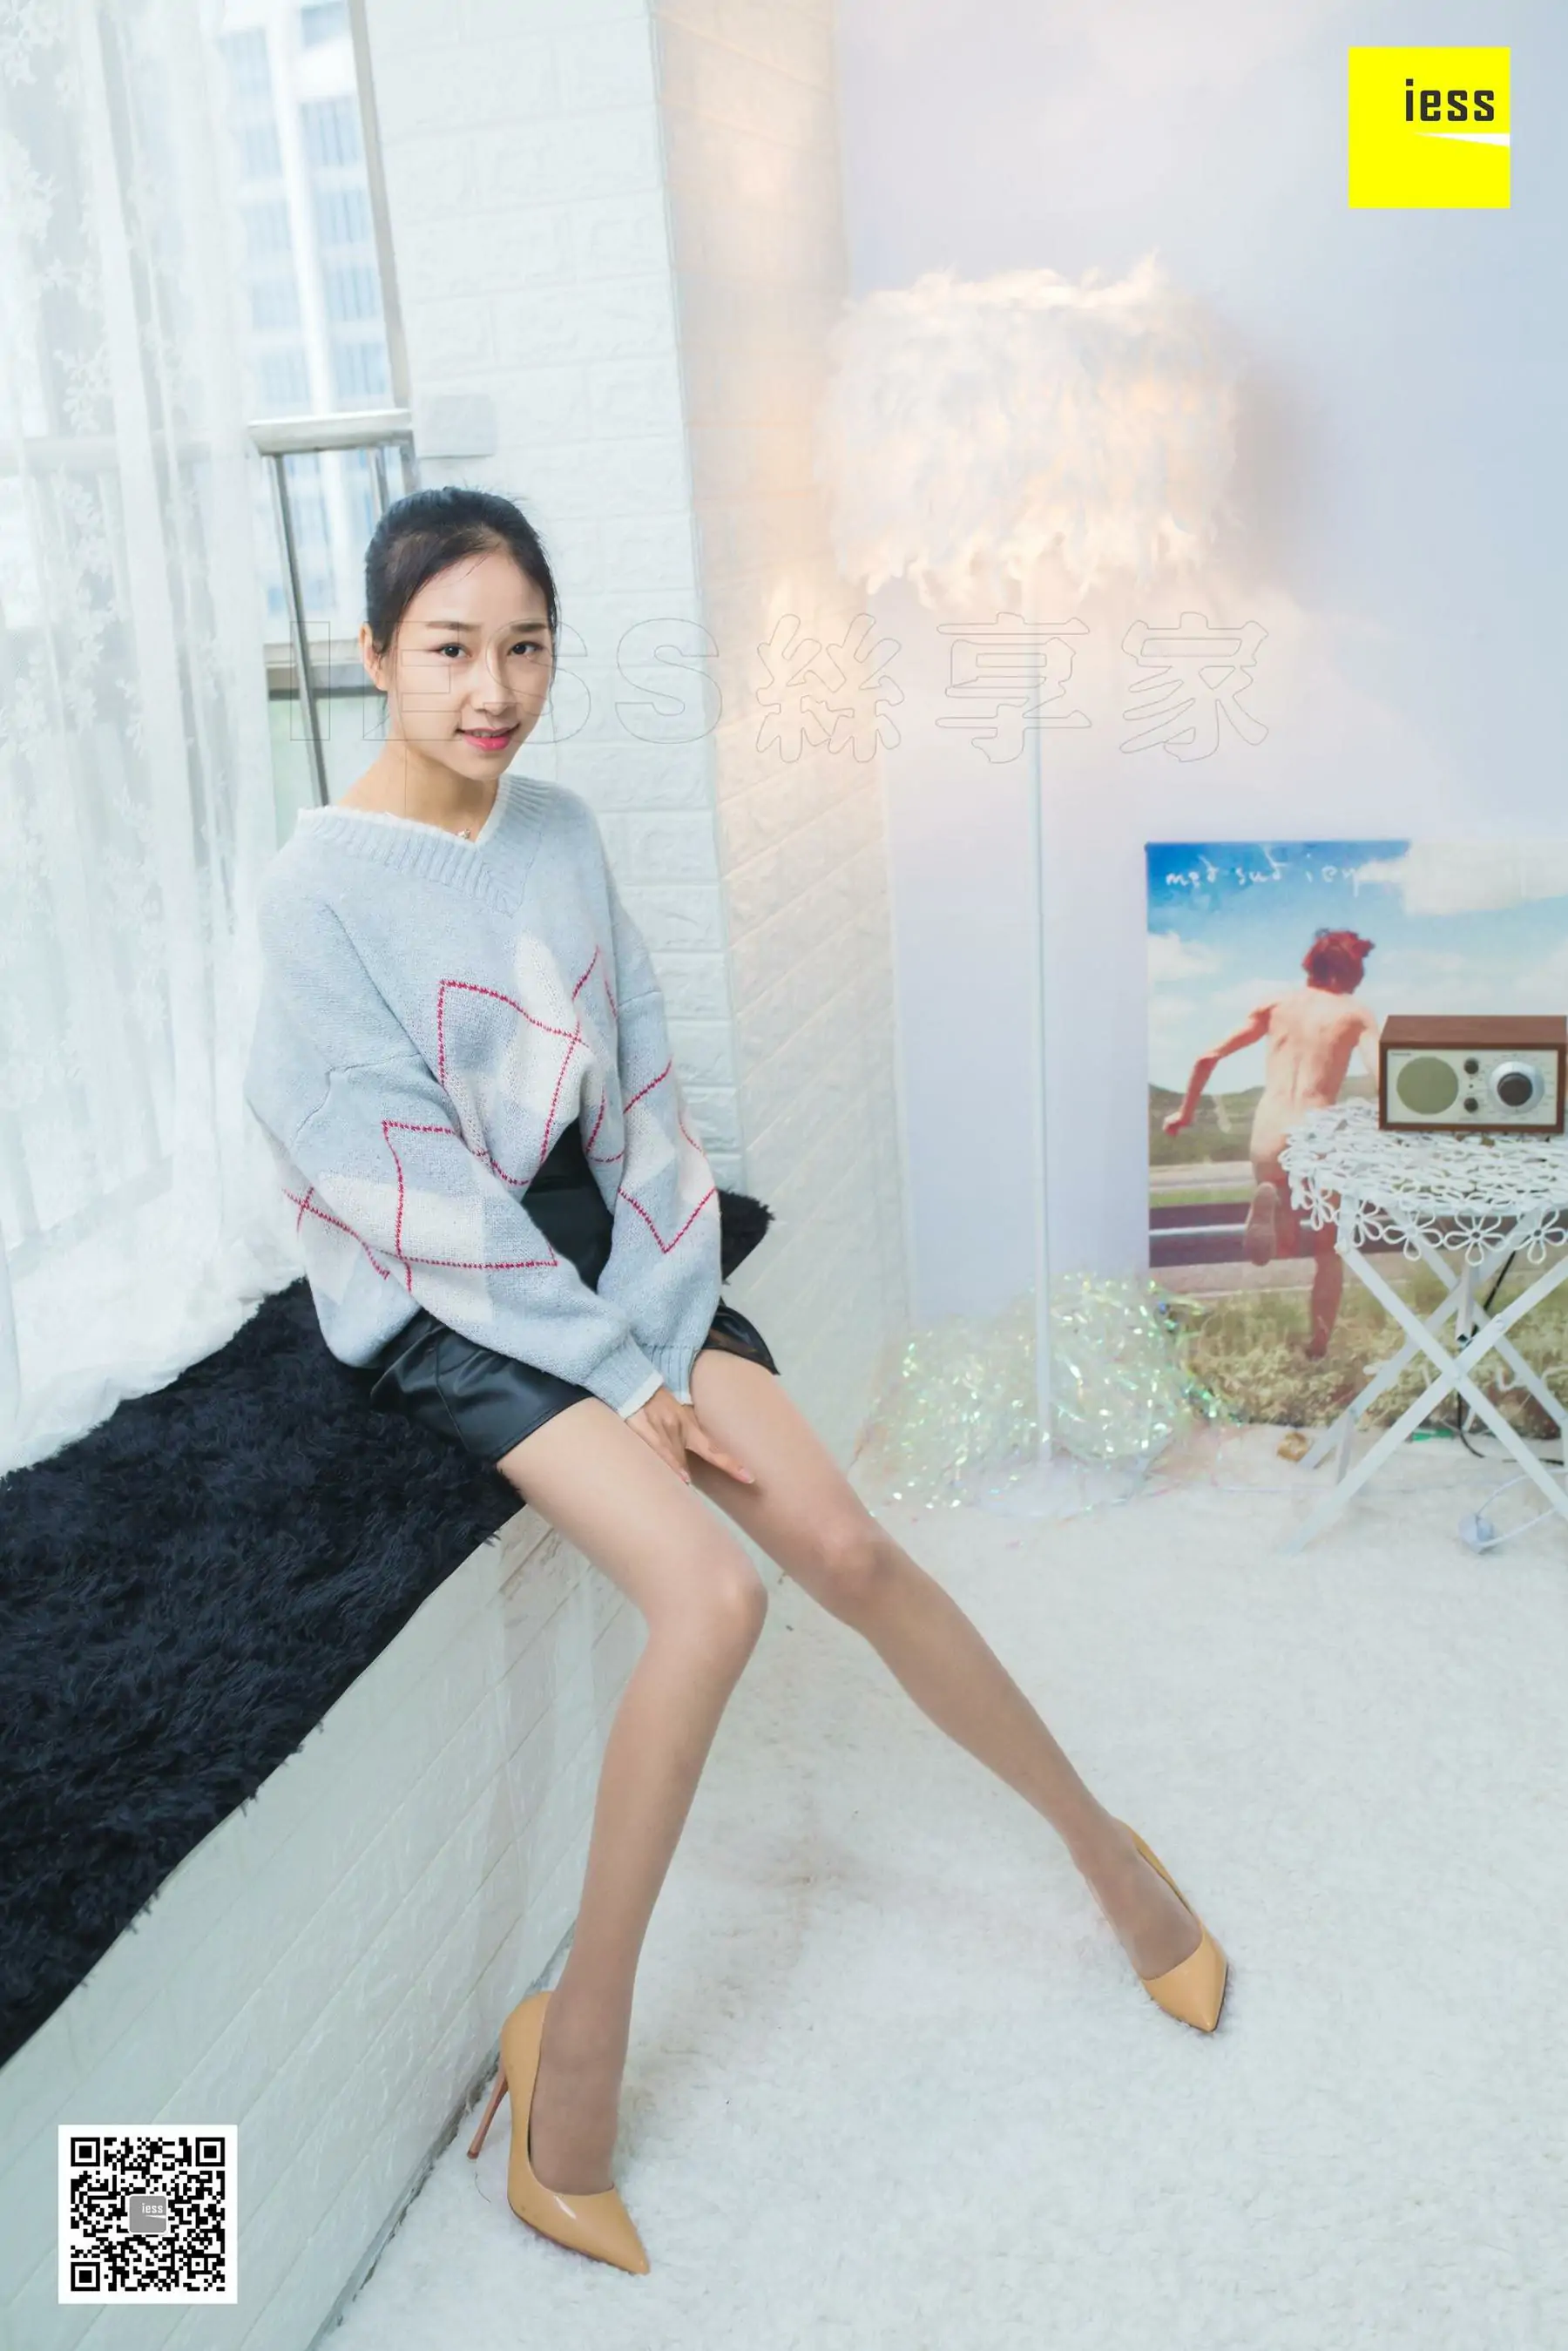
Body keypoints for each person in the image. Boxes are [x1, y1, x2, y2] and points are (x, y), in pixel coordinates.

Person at [244, 486, 1227, 2278]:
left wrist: (664, 1309)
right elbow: (400, 1184)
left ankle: (1111, 1852)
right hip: (451, 1291)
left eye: (526, 646)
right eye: (451, 649)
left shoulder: (558, 829)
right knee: (709, 1595)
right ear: (374, 654)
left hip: (615, 1255)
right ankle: (573, 2063)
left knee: (843, 1542)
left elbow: (642, 1097)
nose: (494, 688)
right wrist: (617, 1369)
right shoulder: (320, 890)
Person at [1163, 929, 1381, 1358]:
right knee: (1329, 1250)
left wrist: (1184, 1113)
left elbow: (1207, 1057)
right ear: (1348, 971)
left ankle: (1275, 1205)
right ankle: (1318, 1346)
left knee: (1283, 1232)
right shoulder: (1355, 1014)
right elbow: (1382, 1077)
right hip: (1317, 1134)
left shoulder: (1276, 1005)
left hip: (1269, 1131)